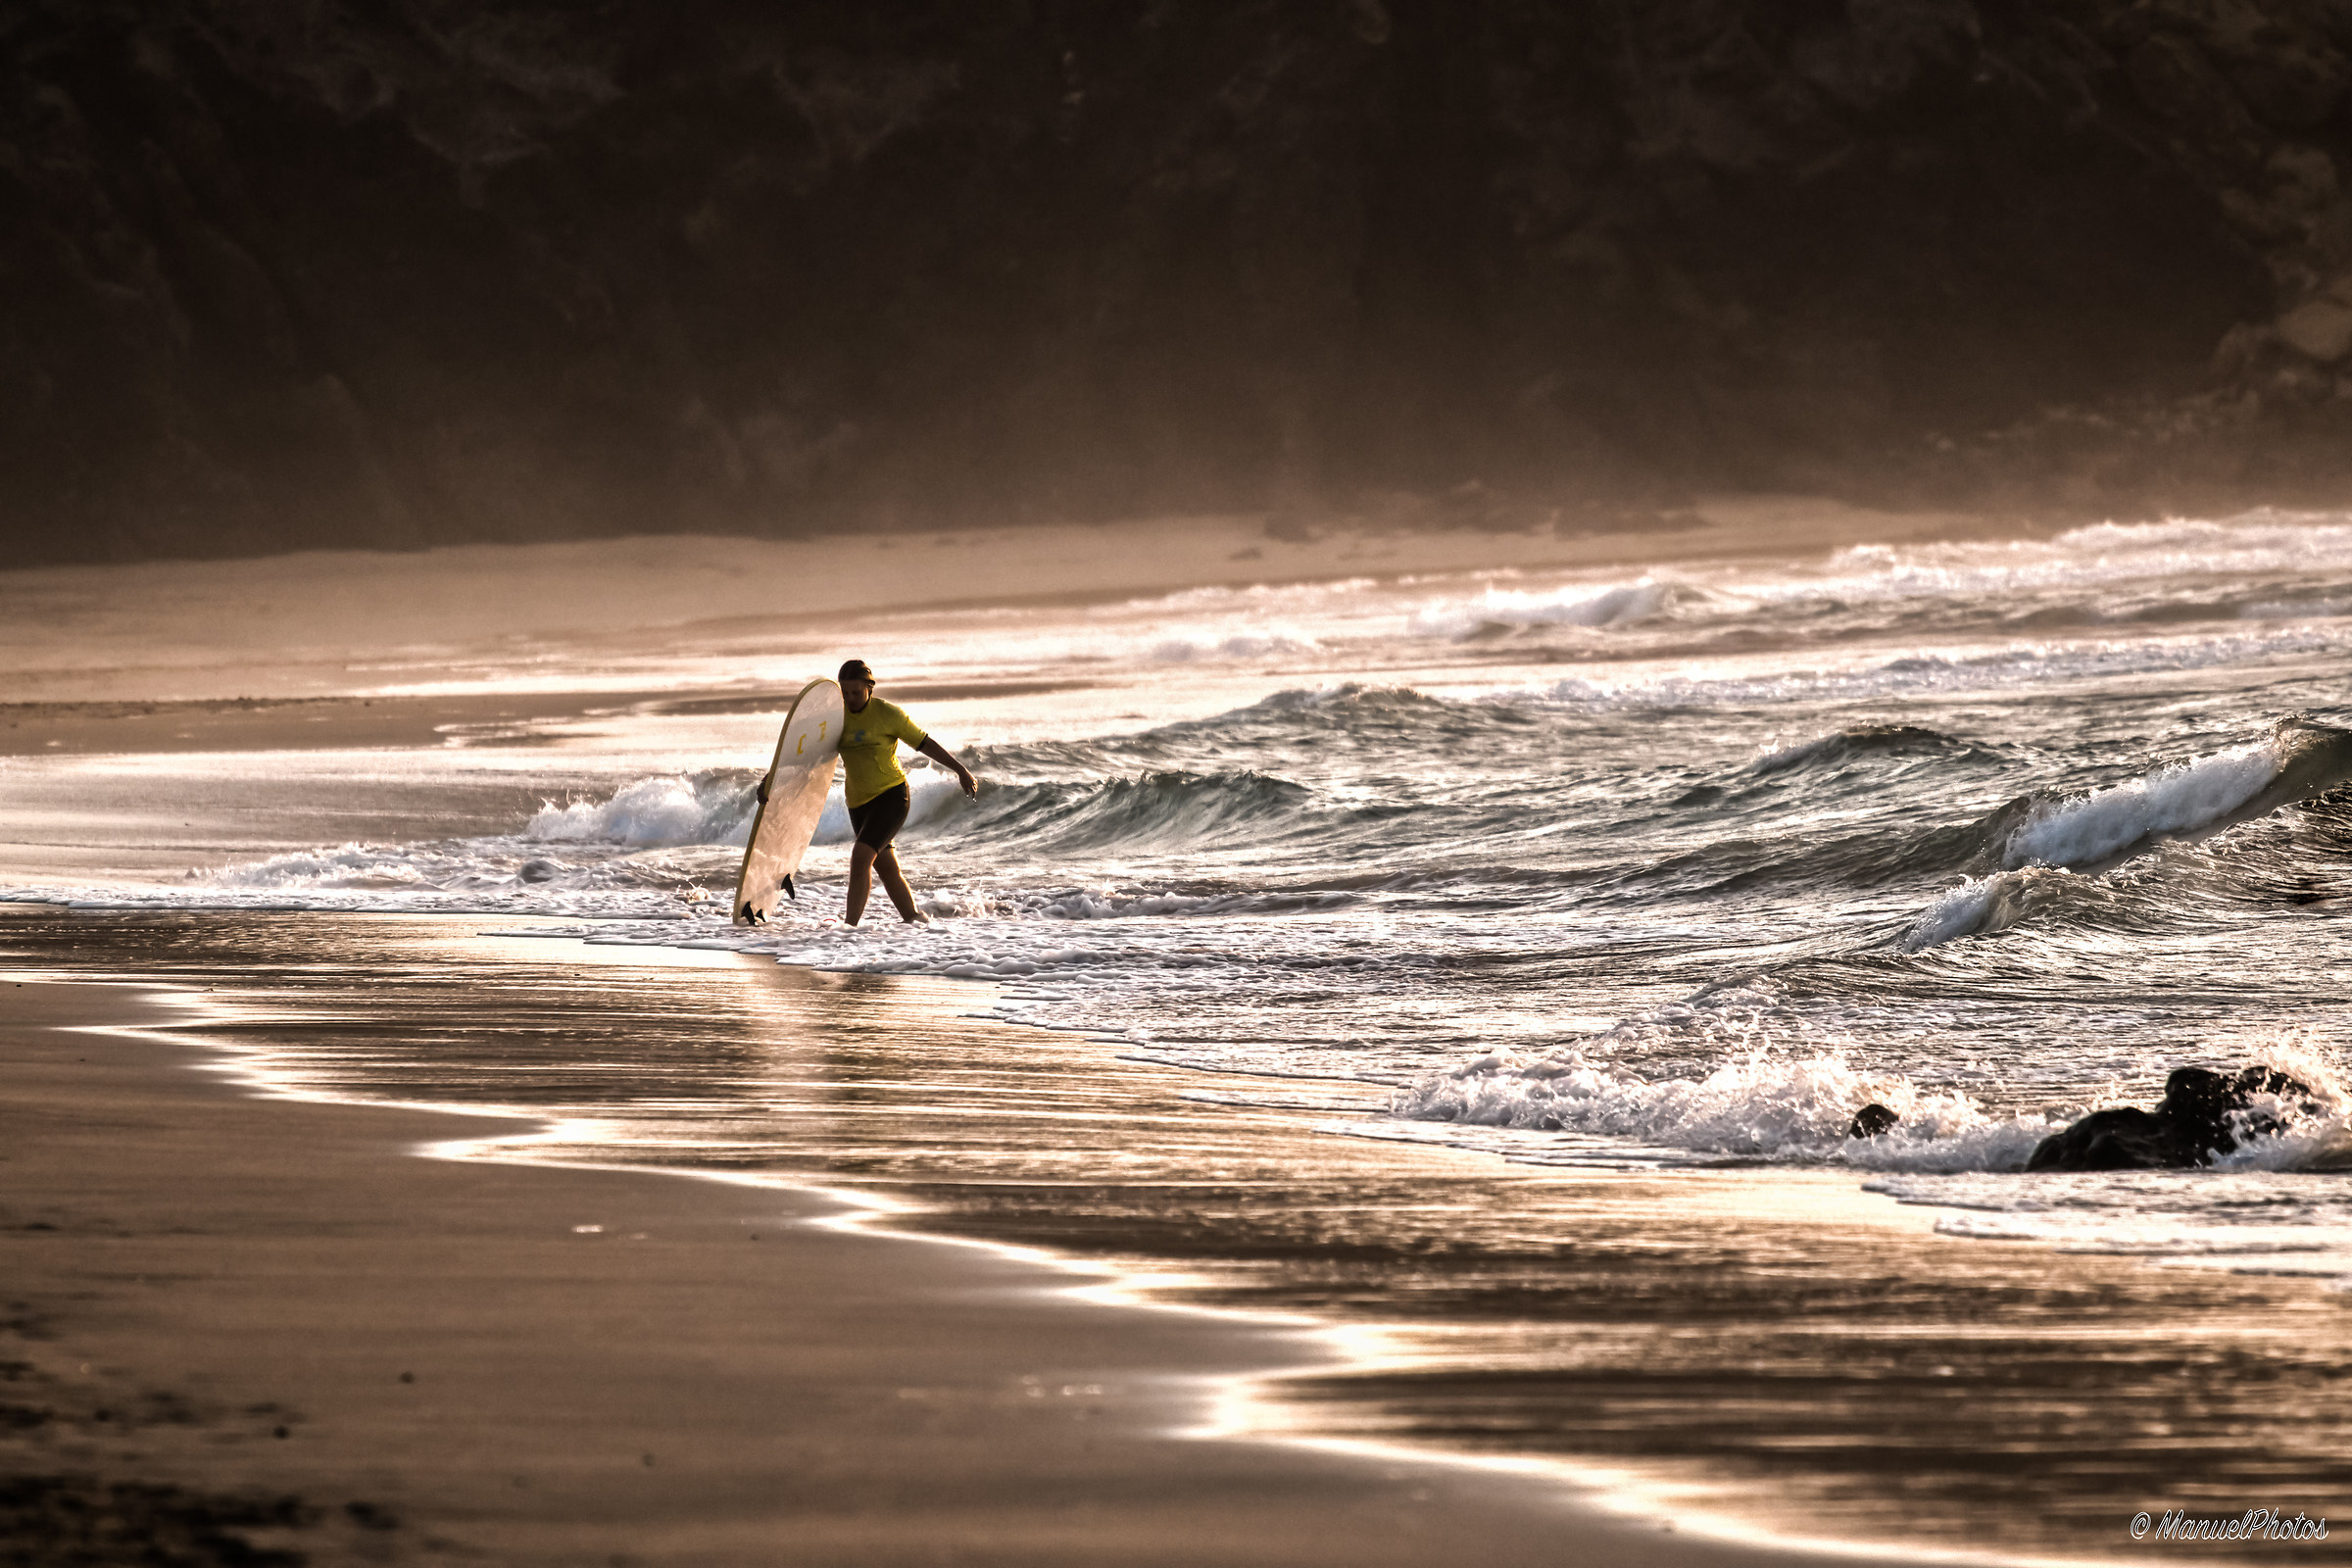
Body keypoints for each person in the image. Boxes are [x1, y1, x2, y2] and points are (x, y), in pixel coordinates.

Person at [829, 659, 977, 925]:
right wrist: (771, 780)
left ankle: (848, 928)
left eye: (855, 692)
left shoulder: (888, 714)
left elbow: (924, 743)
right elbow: (803, 755)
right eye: (845, 692)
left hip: (891, 796)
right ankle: (915, 919)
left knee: (860, 857)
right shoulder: (835, 718)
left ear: (869, 688)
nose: (849, 698)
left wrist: (960, 769)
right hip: (858, 803)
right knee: (887, 868)